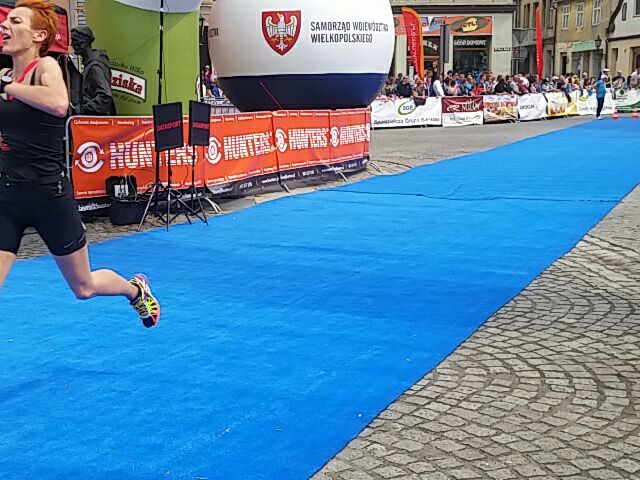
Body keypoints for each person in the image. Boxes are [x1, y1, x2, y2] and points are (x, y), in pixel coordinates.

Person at [0, 0, 160, 327]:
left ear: (38, 35)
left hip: (49, 196)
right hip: (7, 196)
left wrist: (8, 86)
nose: (4, 25)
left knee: (83, 287)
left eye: (15, 21)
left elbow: (59, 104)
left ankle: (134, 290)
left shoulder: (45, 68)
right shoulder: (3, 76)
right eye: (6, 20)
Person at [70, 26, 116, 115]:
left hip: (97, 121)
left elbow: (105, 97)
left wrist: (82, 109)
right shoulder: (89, 64)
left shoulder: (95, 67)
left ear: (86, 41)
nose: (72, 44)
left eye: (75, 40)